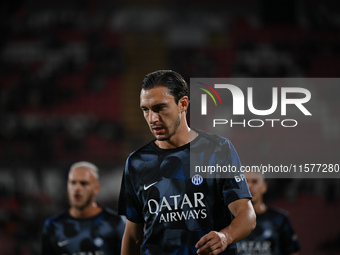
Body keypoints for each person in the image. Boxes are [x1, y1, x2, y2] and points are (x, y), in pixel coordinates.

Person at [118, 70, 256, 255]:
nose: (153, 119)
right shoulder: (137, 163)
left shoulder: (218, 149)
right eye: (146, 110)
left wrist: (226, 236)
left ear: (183, 104)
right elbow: (133, 235)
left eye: (160, 108)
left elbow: (247, 215)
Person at [42, 161, 126, 255]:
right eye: (73, 183)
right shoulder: (53, 226)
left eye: (83, 183)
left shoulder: (116, 223)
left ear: (96, 188)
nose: (77, 188)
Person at [237, 172, 301, 255]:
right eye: (245, 182)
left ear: (264, 187)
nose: (249, 186)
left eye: (254, 182)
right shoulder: (227, 220)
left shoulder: (280, 219)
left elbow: (292, 252)